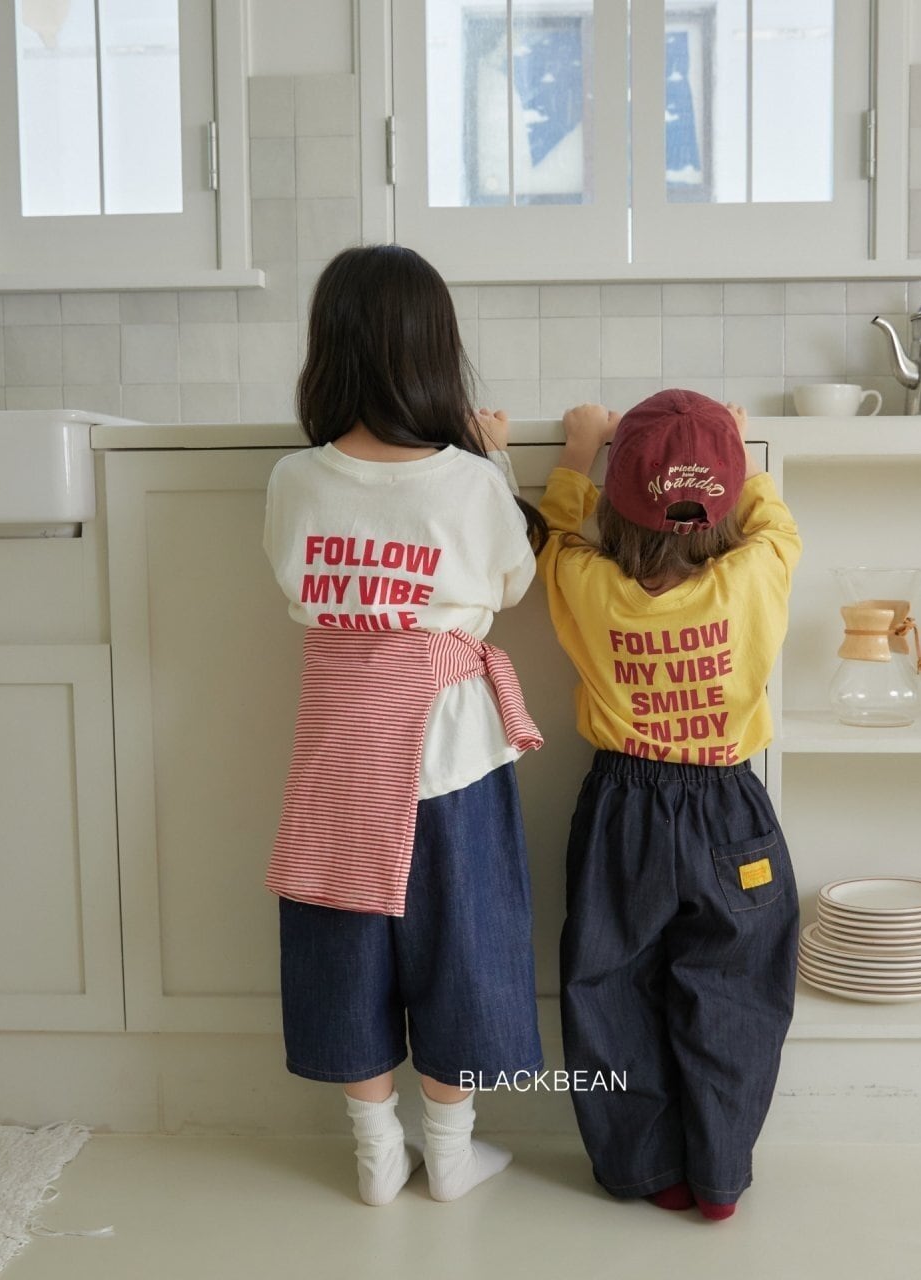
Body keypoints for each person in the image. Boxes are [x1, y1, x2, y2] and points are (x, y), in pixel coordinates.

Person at [262, 244, 547, 1206]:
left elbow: (288, 578)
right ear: (435, 353)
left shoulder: (293, 480)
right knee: (463, 939)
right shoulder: (468, 482)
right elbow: (514, 579)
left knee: (341, 939)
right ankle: (452, 1151)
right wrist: (492, 456)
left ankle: (375, 1149)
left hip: (337, 750)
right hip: (448, 755)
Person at [538, 389, 802, 1222]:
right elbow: (775, 522)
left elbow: (553, 534)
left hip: (624, 809)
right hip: (729, 808)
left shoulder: (589, 584)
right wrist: (732, 448)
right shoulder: (758, 573)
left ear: (618, 508)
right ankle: (719, 1171)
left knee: (608, 986)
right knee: (736, 988)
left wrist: (578, 451)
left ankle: (646, 1167)